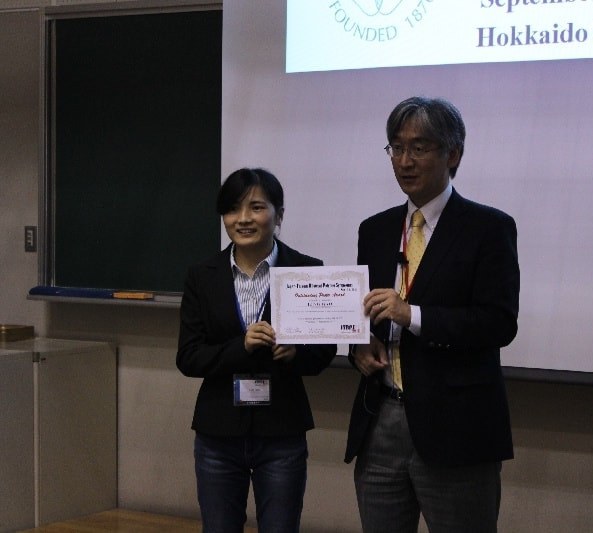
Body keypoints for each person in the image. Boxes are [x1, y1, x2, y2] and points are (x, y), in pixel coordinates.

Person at [345, 97, 520, 533]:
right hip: (381, 421)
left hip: (456, 427)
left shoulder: (488, 228)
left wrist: (413, 315)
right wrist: (359, 346)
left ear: (453, 153)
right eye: (396, 148)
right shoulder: (375, 229)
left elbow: (498, 323)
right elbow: (365, 315)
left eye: (419, 148)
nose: (404, 161)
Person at [177, 167, 337, 533]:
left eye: (257, 207)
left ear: (279, 216)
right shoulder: (202, 275)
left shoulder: (307, 270)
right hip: (218, 434)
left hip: (282, 431)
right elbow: (188, 357)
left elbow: (324, 351)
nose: (243, 218)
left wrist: (296, 354)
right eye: (233, 209)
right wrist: (241, 347)